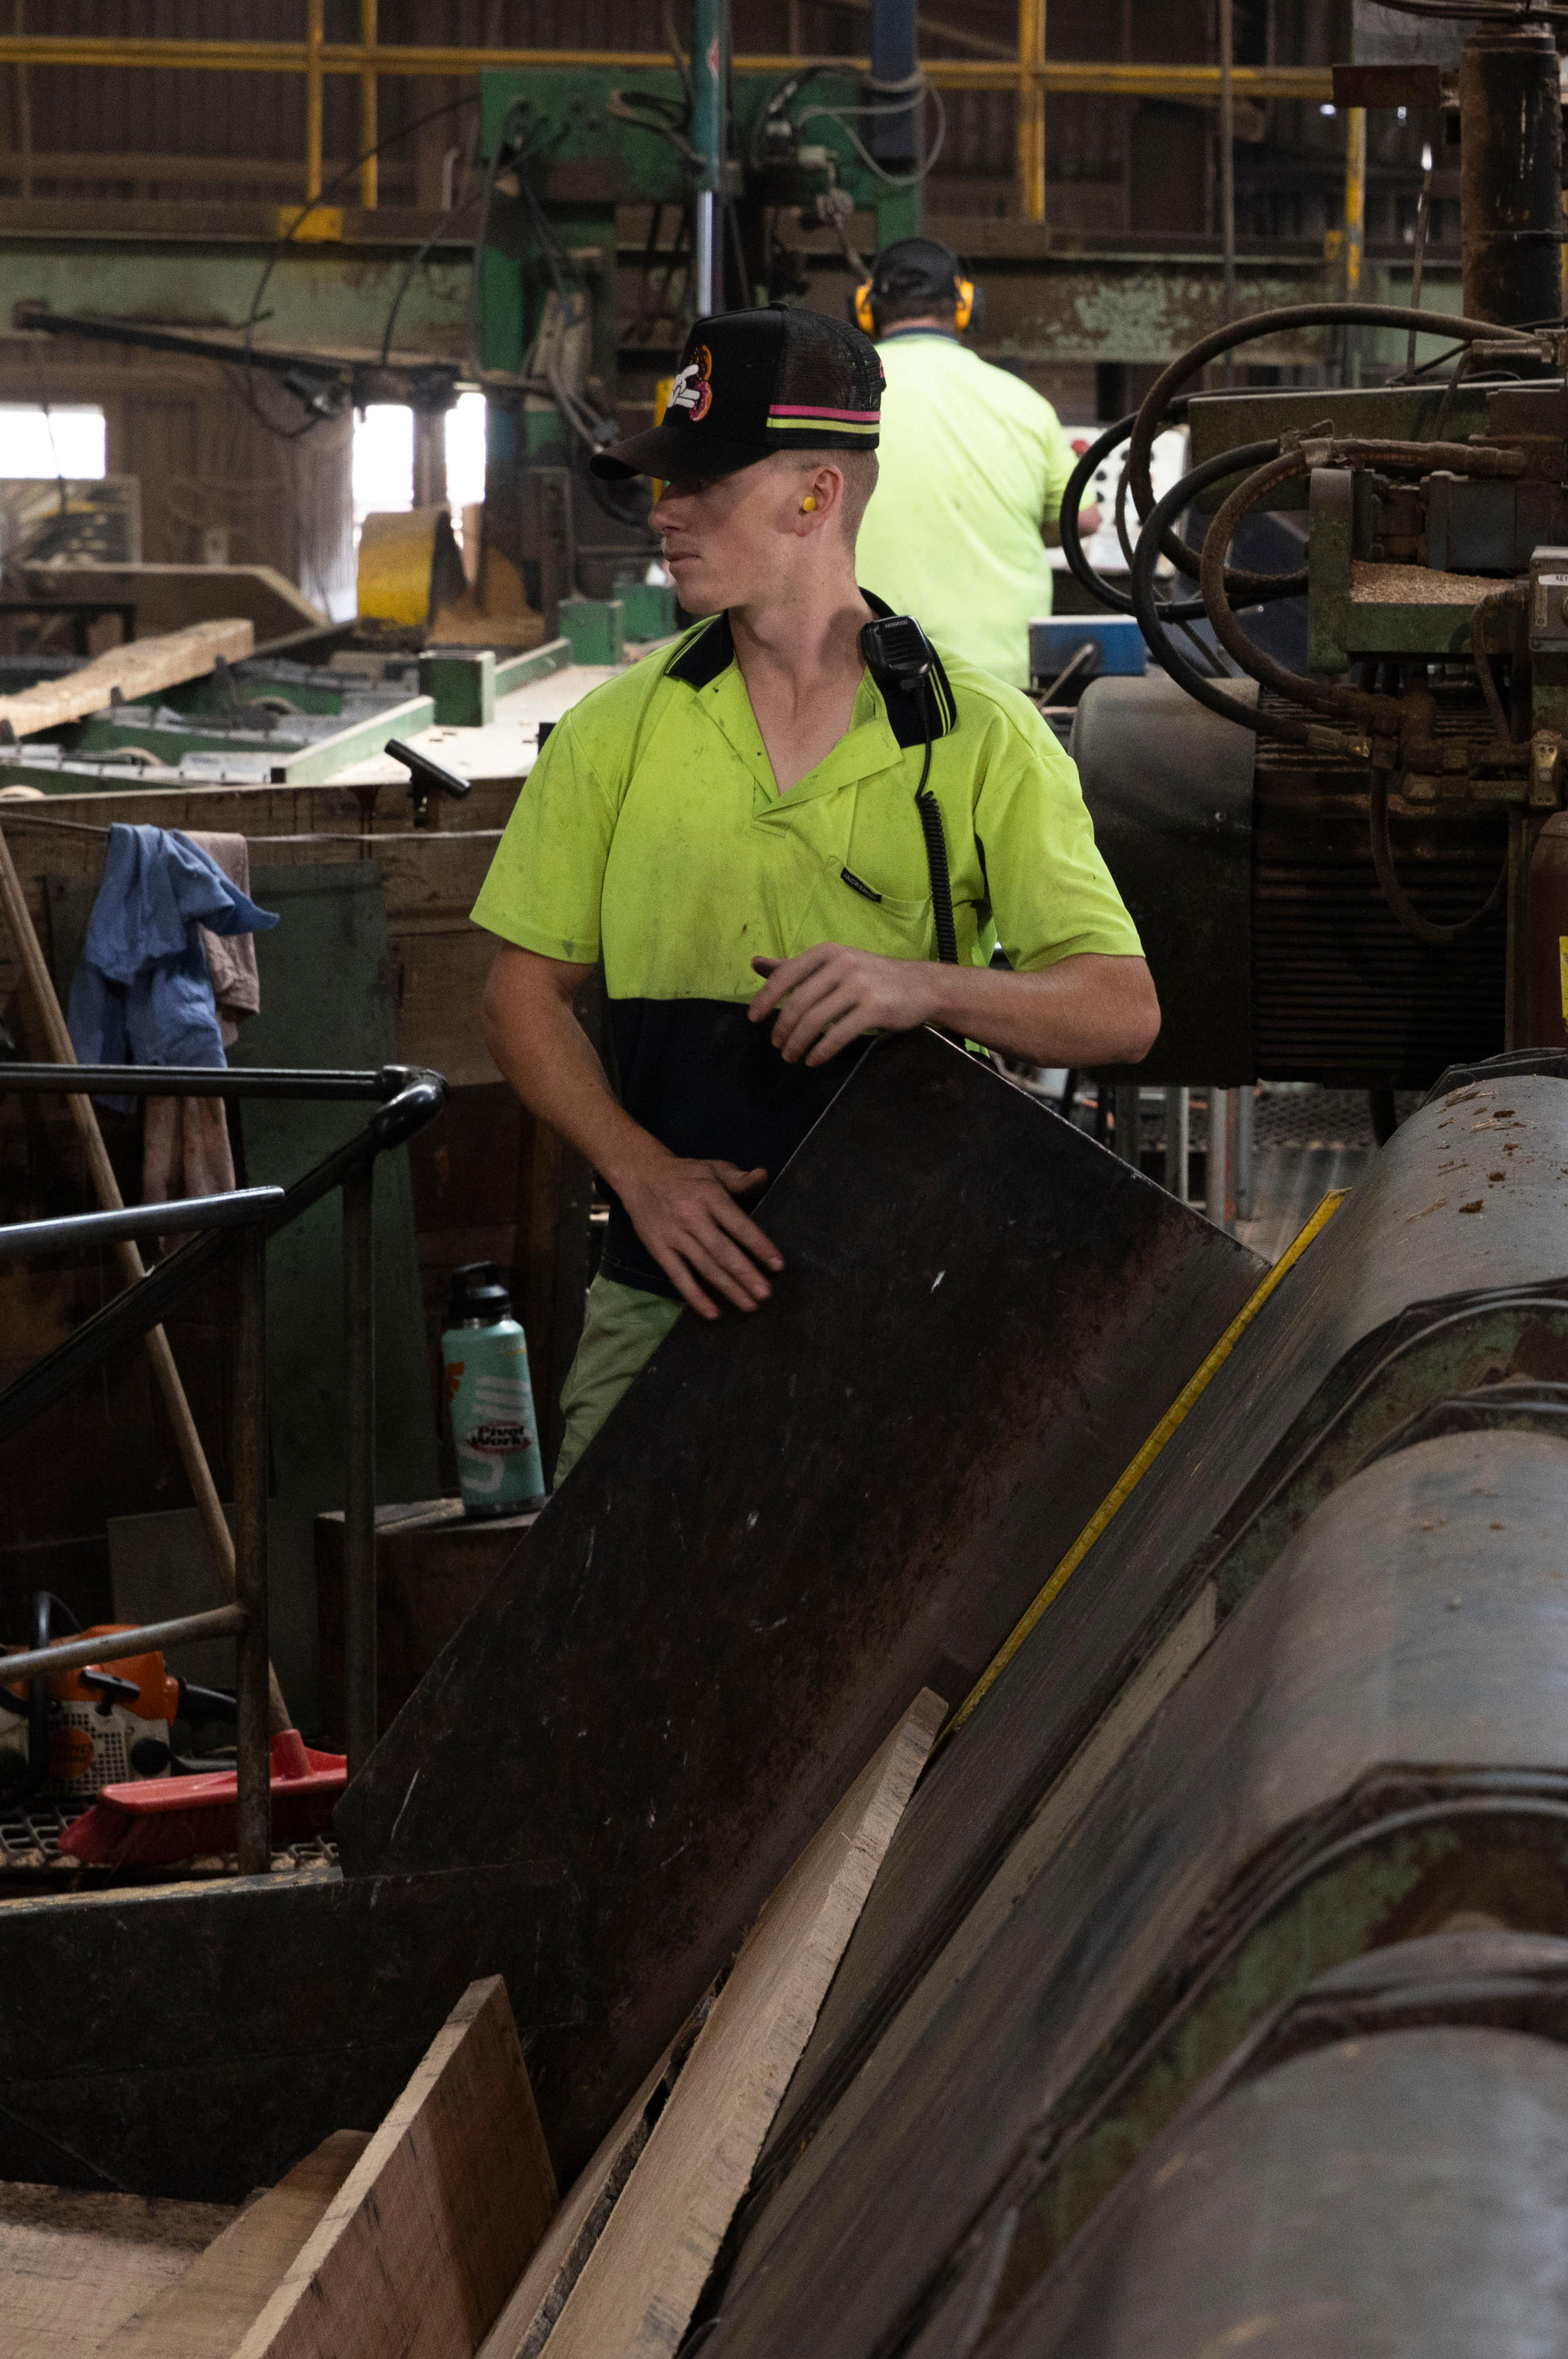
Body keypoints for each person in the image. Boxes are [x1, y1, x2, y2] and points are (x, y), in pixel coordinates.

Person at [475, 305, 1158, 1473]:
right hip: (665, 1291)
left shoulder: (979, 737)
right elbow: (518, 997)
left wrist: (918, 986)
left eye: (701, 480)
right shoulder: (614, 737)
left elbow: (1120, 1006)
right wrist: (641, 1175)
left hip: (911, 1297)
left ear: (815, 495)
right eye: (663, 481)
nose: (664, 510)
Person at [850, 236, 1090, 690]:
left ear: (865, 308)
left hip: (865, 669)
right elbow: (1084, 518)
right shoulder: (1025, 403)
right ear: (965, 307)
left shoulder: (838, 398)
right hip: (999, 686)